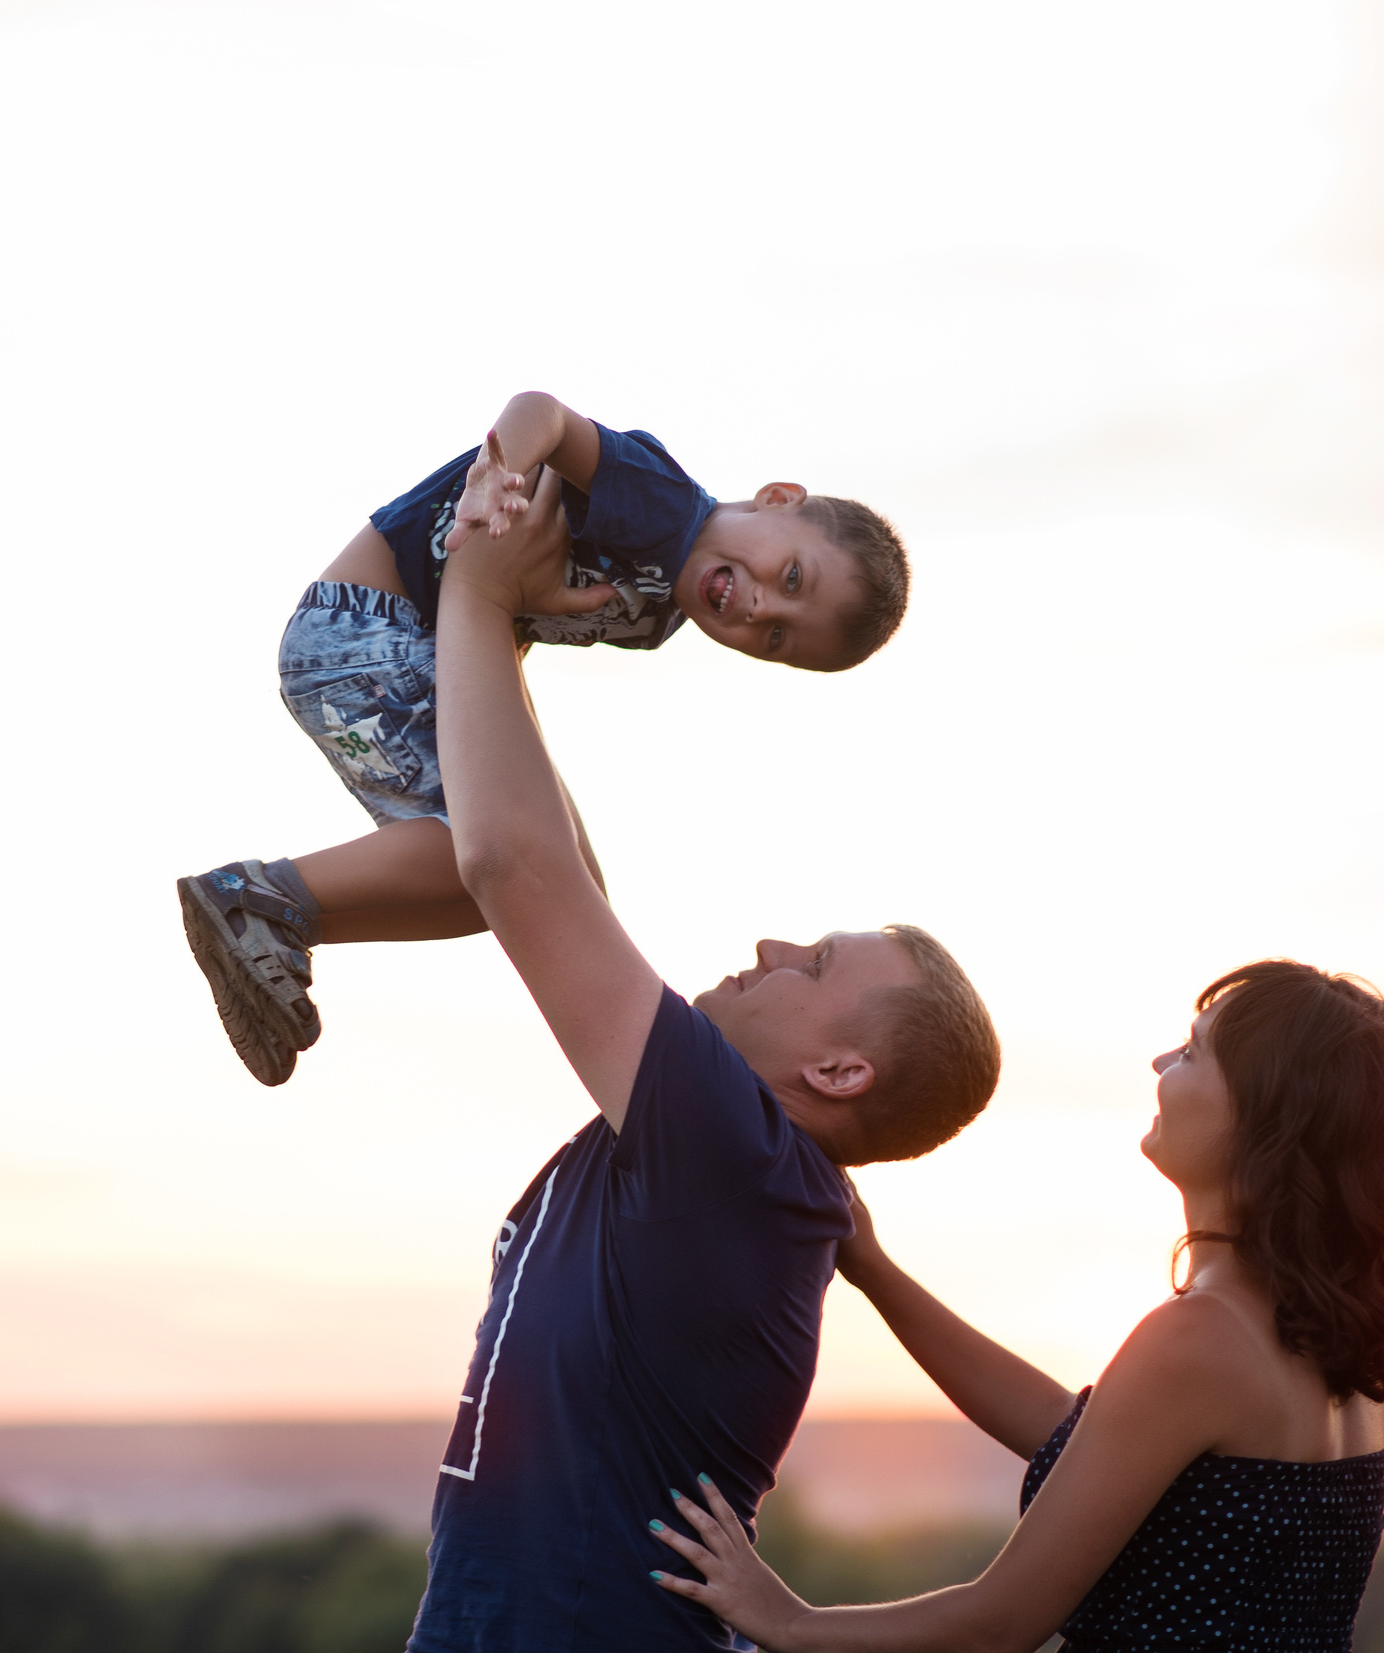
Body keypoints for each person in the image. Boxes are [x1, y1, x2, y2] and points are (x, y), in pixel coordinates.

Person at [397, 484, 999, 1651]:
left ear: (836, 1069)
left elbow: (519, 867)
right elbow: (566, 871)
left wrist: (474, 587)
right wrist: (511, 639)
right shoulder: (731, 1160)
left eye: (815, 962)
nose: (774, 946)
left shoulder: (730, 1150)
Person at [644, 961, 1384, 1653]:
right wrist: (875, 1269)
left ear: (1269, 1115)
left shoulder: (1202, 1338)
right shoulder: (1341, 1360)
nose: (1160, 1061)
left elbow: (1001, 1620)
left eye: (1195, 1051)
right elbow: (1082, 1440)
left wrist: (788, 1620)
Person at [176, 389, 910, 1083]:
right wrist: (502, 473)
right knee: (519, 857)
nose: (756, 606)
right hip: (369, 630)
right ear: (777, 499)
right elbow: (544, 413)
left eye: (776, 635)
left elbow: (512, 628)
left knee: (552, 894)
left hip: (395, 653)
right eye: (789, 574)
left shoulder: (659, 614)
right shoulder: (662, 504)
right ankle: (257, 896)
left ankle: (275, 921)